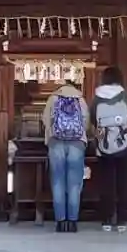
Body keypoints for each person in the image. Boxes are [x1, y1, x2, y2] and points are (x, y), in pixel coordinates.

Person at [90, 66, 127, 232]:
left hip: (103, 145)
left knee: (106, 182)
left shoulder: (97, 98)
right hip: (123, 144)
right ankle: (121, 219)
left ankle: (106, 219)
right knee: (123, 182)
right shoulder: (125, 97)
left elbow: (93, 119)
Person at [44, 78, 89, 232]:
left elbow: (46, 120)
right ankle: (73, 221)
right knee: (75, 182)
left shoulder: (53, 98)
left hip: (56, 142)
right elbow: (86, 122)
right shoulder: (80, 99)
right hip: (77, 142)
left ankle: (60, 221)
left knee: (57, 181)